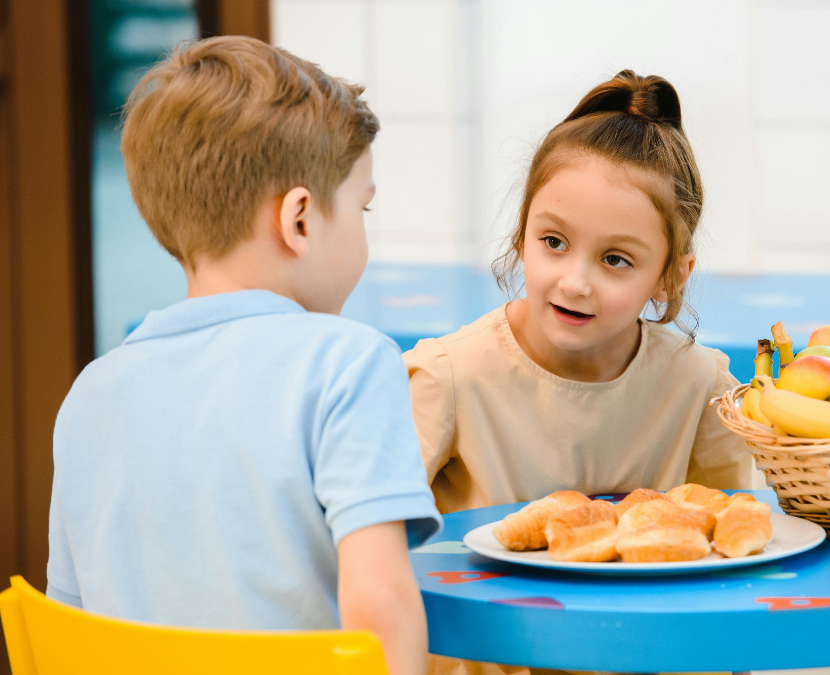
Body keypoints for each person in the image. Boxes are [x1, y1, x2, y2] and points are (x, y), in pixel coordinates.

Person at [47, 36, 439, 675]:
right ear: (301, 220)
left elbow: (69, 629)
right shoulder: (348, 363)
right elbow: (379, 605)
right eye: (363, 208)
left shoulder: (91, 393)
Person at [405, 69, 757, 675]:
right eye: (554, 242)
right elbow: (366, 550)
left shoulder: (701, 389)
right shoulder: (449, 376)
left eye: (616, 259)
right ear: (522, 233)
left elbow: (726, 568)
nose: (574, 281)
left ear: (672, 275)